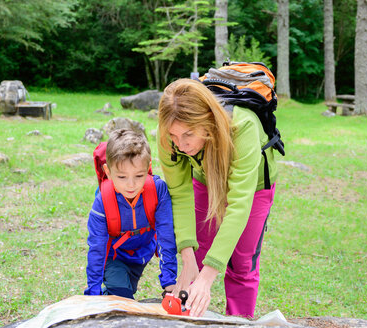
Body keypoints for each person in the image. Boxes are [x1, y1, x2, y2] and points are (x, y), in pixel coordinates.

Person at [157, 78, 277, 318]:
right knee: (198, 256)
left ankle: (239, 321)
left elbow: (239, 206)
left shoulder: (243, 126)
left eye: (188, 134)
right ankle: (194, 317)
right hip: (205, 179)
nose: (181, 145)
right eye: (174, 135)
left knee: (242, 265)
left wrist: (208, 276)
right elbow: (179, 194)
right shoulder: (168, 136)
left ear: (207, 123)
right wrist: (188, 259)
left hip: (254, 187)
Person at [84, 129, 177, 299]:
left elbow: (166, 237)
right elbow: (97, 247)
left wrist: (170, 283)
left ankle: (111, 295)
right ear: (108, 172)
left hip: (142, 255)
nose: (131, 185)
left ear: (148, 167)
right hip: (114, 257)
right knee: (123, 297)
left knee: (126, 290)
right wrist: (93, 293)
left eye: (139, 175)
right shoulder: (103, 200)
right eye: (122, 177)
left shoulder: (158, 191)